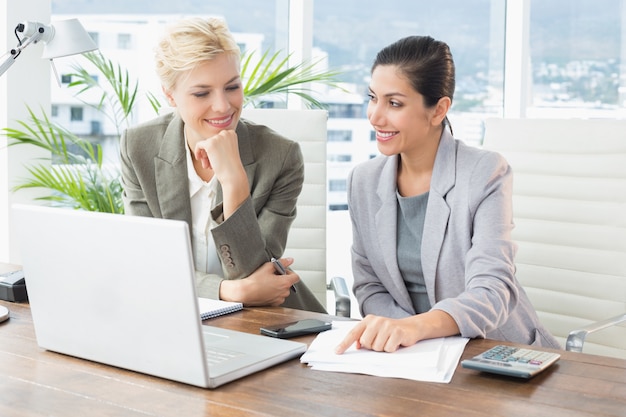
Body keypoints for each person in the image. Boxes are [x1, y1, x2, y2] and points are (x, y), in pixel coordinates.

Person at [335, 36, 560, 354]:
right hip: (416, 358)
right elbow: (369, 284)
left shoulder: (483, 172)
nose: (374, 116)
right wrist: (408, 336)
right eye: (373, 98)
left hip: (496, 352)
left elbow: (493, 291)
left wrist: (416, 328)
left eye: (394, 103)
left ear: (439, 109)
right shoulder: (363, 180)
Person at [119, 17, 325, 313]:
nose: (223, 106)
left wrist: (234, 181)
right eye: (202, 93)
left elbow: (254, 271)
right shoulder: (138, 147)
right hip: (170, 311)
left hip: (261, 319)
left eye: (232, 87)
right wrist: (225, 291)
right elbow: (148, 264)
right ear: (169, 94)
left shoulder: (281, 156)